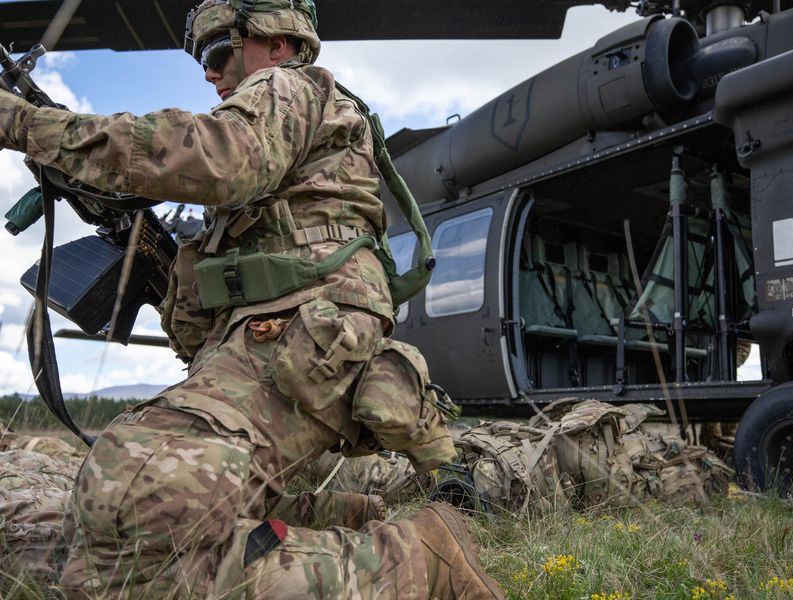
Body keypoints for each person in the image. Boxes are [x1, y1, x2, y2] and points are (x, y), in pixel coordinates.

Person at [0, 0, 505, 598]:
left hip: (302, 334)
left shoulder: (288, 87)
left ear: (276, 41)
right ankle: (336, 516)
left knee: (131, 493)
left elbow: (215, 157)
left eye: (217, 54)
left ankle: (417, 561)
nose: (209, 75)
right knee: (118, 517)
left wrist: (28, 125)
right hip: (286, 336)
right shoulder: (278, 142)